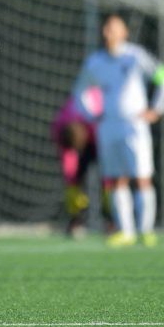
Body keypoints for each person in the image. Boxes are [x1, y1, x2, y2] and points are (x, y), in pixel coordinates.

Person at [72, 12, 164, 248]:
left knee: (142, 177)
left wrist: (156, 109)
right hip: (108, 126)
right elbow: (79, 92)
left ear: (124, 33)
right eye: (106, 27)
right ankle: (126, 231)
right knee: (116, 179)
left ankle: (146, 231)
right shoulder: (95, 62)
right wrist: (91, 116)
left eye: (113, 28)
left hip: (134, 125)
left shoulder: (135, 56)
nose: (107, 32)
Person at [50, 87, 107, 237]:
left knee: (108, 178)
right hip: (79, 133)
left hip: (101, 135)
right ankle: (76, 221)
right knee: (73, 181)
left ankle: (112, 220)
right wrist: (72, 184)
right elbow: (69, 166)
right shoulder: (60, 127)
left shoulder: (95, 121)